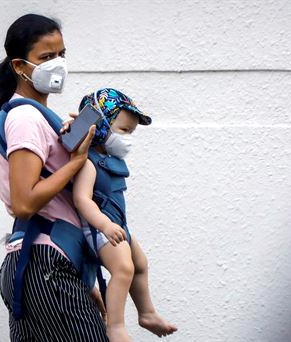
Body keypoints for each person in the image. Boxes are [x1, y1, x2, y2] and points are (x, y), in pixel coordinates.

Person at [0, 14, 109, 341]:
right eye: (46, 57)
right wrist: (76, 163)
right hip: (45, 267)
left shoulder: (39, 117)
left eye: (61, 54)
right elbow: (23, 203)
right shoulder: (25, 119)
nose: (58, 64)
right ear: (20, 67)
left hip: (44, 264)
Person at [71, 88, 178, 341]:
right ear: (100, 126)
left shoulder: (111, 160)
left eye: (132, 132)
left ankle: (147, 313)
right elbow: (81, 199)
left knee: (140, 264)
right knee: (124, 269)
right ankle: (115, 326)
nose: (129, 138)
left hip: (118, 227)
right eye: (124, 131)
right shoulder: (89, 162)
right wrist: (105, 225)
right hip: (100, 228)